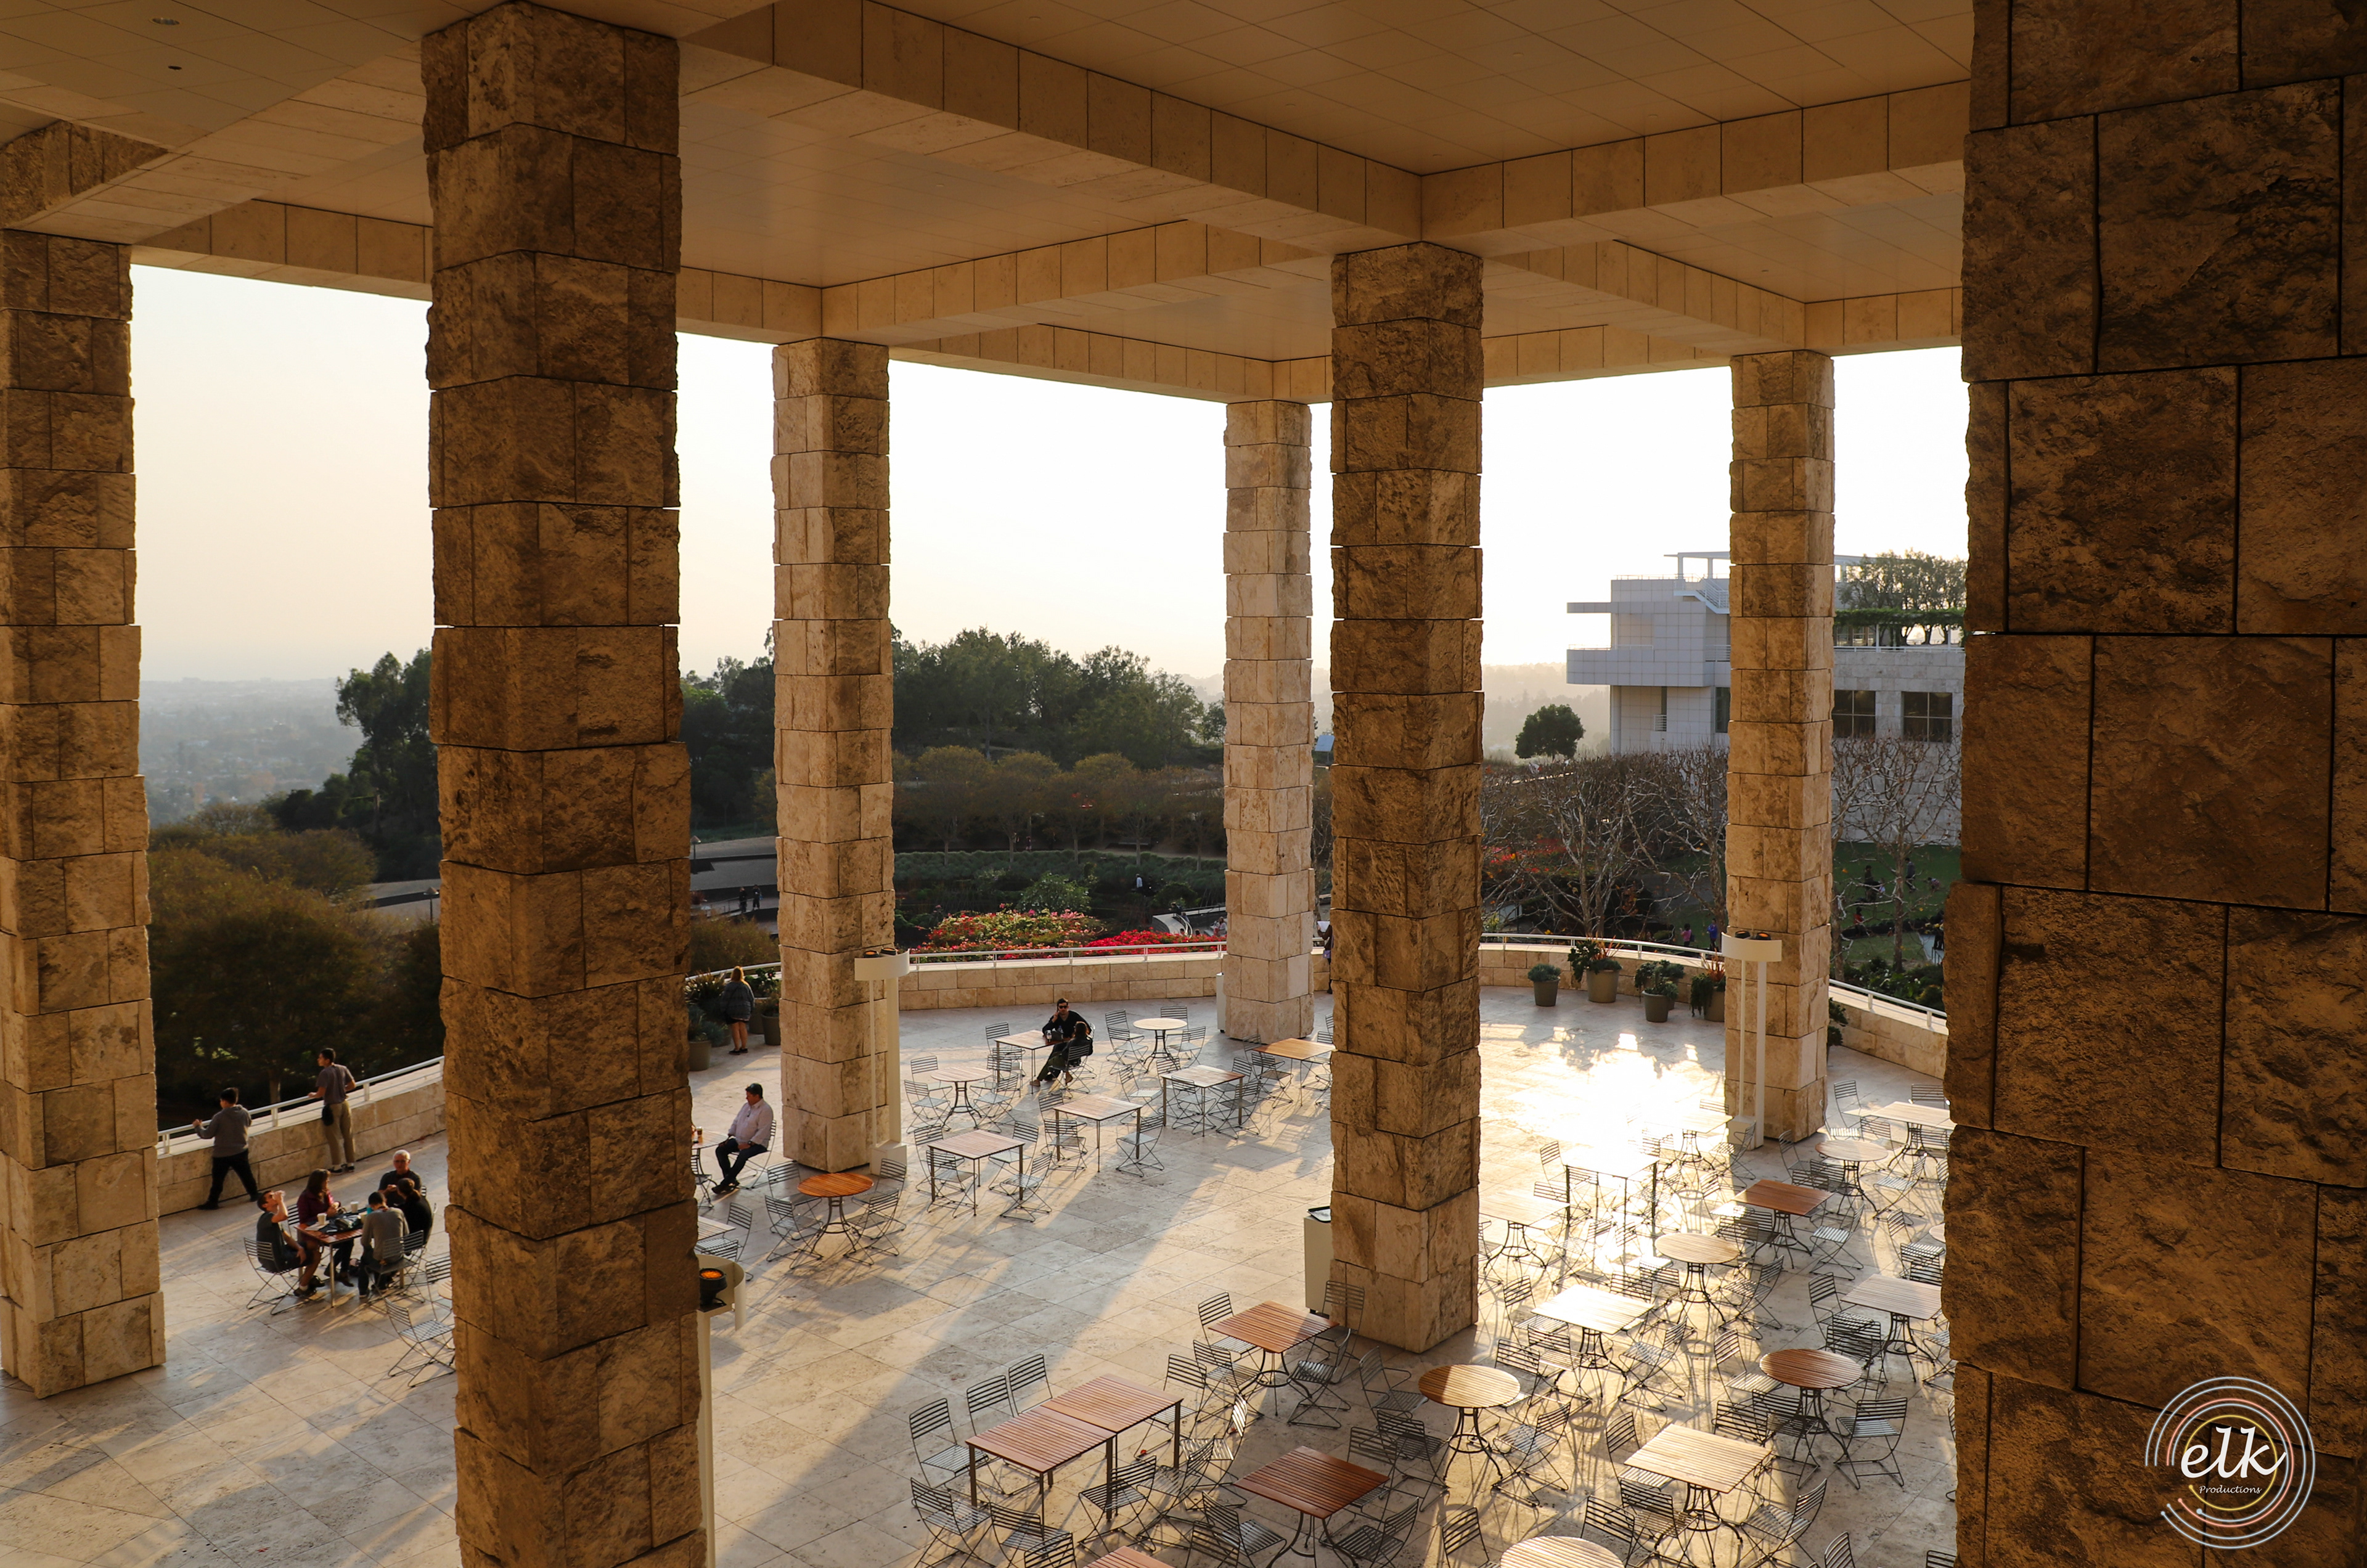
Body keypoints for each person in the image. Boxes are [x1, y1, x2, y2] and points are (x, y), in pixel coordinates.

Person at [192, 1087, 261, 1210]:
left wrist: (198, 1127)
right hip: (241, 1150)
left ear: (224, 1101)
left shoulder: (219, 1117)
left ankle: (213, 1202)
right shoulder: (244, 1112)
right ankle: (254, 1194)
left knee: (218, 1180)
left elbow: (207, 1134)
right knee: (246, 1175)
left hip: (222, 1154)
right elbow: (249, 1123)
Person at [292, 1169, 352, 1299]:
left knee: (348, 1240)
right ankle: (330, 1270)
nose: (328, 1182)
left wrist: (335, 1205)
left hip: (329, 1228)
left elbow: (333, 1202)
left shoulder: (325, 1193)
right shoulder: (305, 1198)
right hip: (312, 1233)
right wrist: (325, 1215)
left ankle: (342, 1270)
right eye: (326, 1180)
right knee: (336, 1243)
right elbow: (303, 1221)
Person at [711, 1084, 773, 1196]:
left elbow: (763, 1131)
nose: (747, 1098)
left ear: (757, 1096)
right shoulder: (746, 1106)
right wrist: (729, 1136)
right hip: (740, 1140)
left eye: (749, 1096)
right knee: (720, 1150)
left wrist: (750, 1144)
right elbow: (736, 1122)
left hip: (757, 1144)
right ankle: (731, 1179)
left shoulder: (766, 1110)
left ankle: (725, 1183)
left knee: (743, 1155)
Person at [308, 1048, 358, 1172]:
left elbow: (321, 1093)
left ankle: (337, 1166)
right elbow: (353, 1084)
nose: (318, 1060)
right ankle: (350, 1163)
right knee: (348, 1135)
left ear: (327, 1060)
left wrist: (313, 1095)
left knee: (334, 1137)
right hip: (345, 1104)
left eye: (320, 1058)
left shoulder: (325, 1073)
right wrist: (341, 1090)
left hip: (333, 1106)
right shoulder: (343, 1068)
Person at [356, 1190, 409, 1297]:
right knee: (380, 1252)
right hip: (398, 1256)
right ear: (385, 1201)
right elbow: (406, 1234)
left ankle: (363, 1291)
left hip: (382, 1258)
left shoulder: (372, 1217)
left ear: (372, 1206)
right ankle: (381, 1285)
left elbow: (365, 1241)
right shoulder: (399, 1212)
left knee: (368, 1256)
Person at [1034, 1003, 1093, 1087]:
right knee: (1056, 1050)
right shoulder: (1088, 1040)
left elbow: (1065, 1055)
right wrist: (1054, 1020)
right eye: (1061, 1007)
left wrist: (1067, 1044)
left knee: (1051, 1059)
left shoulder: (1072, 1041)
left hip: (1068, 1060)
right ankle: (1060, 1074)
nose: (1063, 1009)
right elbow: (1090, 1052)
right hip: (1077, 1060)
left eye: (1065, 1007)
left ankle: (1038, 1080)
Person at [255, 1191, 303, 1275]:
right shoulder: (266, 1217)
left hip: (279, 1254)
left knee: (310, 1244)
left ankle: (308, 1279)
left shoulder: (273, 1218)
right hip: (276, 1262)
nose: (274, 1196)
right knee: (315, 1255)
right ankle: (304, 1285)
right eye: (271, 1197)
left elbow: (287, 1238)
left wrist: (300, 1248)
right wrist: (280, 1201)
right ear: (265, 1205)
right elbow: (284, 1216)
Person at [719, 966, 756, 1055]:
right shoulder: (746, 986)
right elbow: (752, 999)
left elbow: (725, 999)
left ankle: (737, 1049)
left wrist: (723, 1010)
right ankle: (744, 1047)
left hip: (733, 1010)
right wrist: (751, 1009)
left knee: (735, 1028)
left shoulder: (730, 986)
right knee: (743, 1028)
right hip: (745, 1009)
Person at [386, 1171, 433, 1239]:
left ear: (399, 1191)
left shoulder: (409, 1207)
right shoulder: (420, 1198)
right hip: (423, 1234)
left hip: (414, 1241)